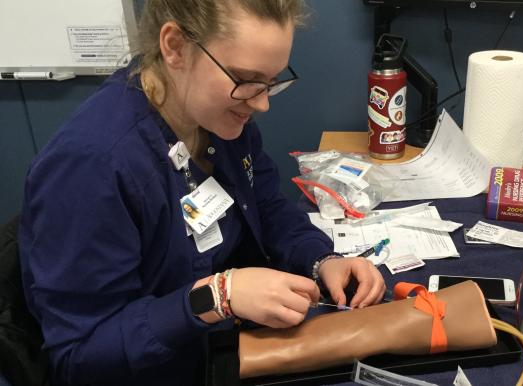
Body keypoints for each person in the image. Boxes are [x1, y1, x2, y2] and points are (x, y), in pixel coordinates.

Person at [18, 1, 385, 385]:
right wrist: (216, 297)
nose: (261, 103)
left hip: (231, 348)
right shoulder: (93, 166)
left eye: (271, 82)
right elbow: (81, 357)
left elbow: (266, 205)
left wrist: (321, 259)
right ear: (175, 46)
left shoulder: (216, 117)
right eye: (245, 79)